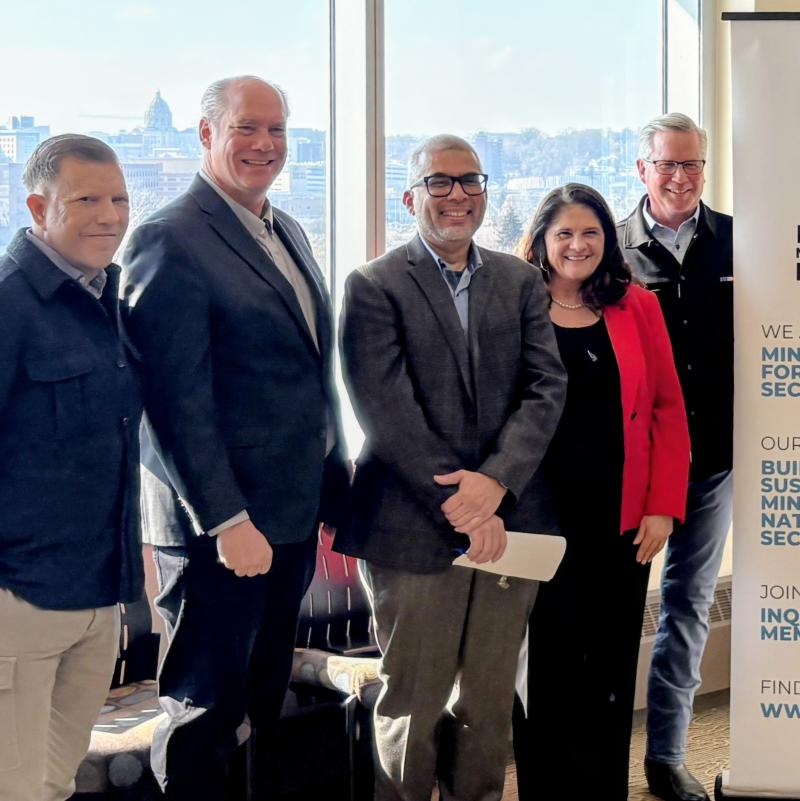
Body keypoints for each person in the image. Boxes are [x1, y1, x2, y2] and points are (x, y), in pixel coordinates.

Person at [121, 76, 351, 798]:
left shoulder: (285, 230)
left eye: (278, 129)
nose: (266, 144)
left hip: (283, 517)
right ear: (206, 134)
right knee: (202, 716)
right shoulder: (169, 238)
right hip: (217, 529)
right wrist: (225, 518)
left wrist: (330, 481)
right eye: (248, 128)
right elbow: (171, 402)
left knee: (260, 703)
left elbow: (309, 375)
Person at [336, 135, 566, 801]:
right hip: (410, 528)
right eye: (440, 182)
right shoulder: (374, 284)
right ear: (411, 197)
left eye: (470, 180)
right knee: (414, 698)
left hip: (508, 522)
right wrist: (462, 501)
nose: (458, 194)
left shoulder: (520, 280)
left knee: (487, 700)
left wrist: (496, 484)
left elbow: (546, 387)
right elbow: (385, 406)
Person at [511, 183, 690, 800]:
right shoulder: (514, 303)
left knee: (608, 667)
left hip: (620, 516)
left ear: (608, 242)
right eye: (564, 233)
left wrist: (664, 504)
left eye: (591, 233)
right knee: (544, 670)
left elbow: (668, 406)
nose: (578, 245)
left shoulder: (637, 305)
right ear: (541, 240)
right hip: (534, 520)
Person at [0, 135, 141, 801]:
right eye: (86, 199)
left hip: (96, 596)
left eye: (119, 198)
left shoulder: (107, 297)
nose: (109, 215)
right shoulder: (9, 303)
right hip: (19, 598)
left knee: (55, 785)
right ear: (38, 206)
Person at [617, 112, 731, 801]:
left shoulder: (735, 242)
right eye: (667, 165)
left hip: (712, 460)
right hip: (630, 465)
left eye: (692, 166)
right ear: (642, 170)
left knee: (686, 607)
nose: (681, 178)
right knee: (617, 607)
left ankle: (666, 755)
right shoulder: (611, 249)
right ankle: (596, 752)